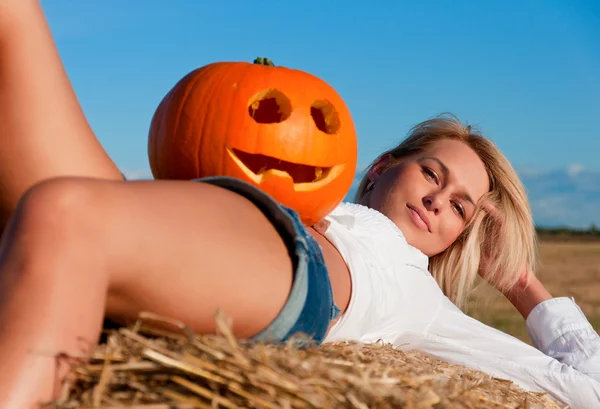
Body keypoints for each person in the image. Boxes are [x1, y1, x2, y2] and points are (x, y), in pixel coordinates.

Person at [0, 2, 599, 408]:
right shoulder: (322, 201)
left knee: (66, 216)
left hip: (297, 270)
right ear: (383, 167)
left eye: (461, 208)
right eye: (432, 173)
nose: (440, 200)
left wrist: (521, 283)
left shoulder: (424, 303)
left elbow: (589, 389)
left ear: (458, 237)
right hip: (203, 220)